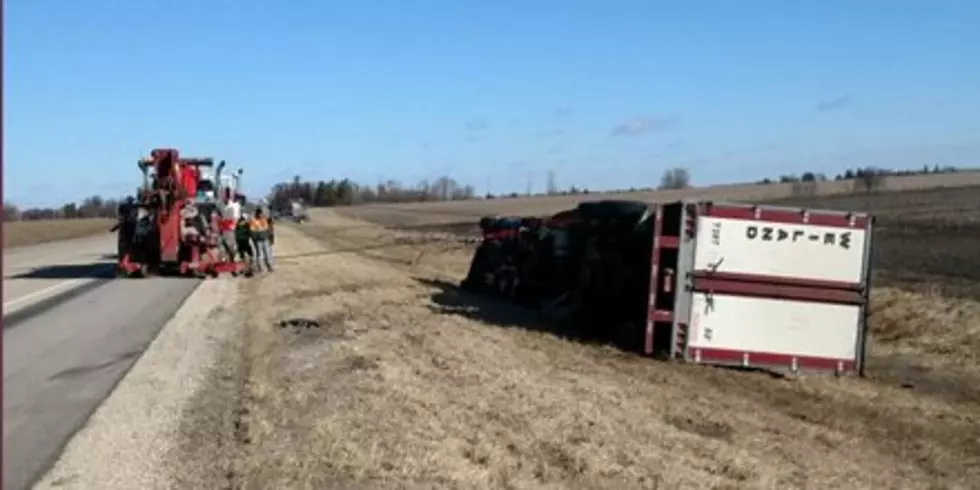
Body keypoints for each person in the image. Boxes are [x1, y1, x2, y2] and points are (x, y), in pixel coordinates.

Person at [249, 208, 274, 272]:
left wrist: (270, 237)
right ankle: (260, 267)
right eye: (260, 214)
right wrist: (255, 239)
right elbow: (252, 231)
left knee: (267, 253)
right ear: (257, 214)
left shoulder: (264, 219)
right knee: (259, 254)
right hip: (258, 241)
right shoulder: (254, 220)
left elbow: (267, 228)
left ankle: (269, 266)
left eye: (261, 214)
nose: (261, 215)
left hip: (265, 239)